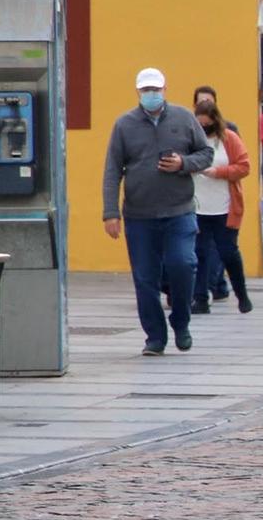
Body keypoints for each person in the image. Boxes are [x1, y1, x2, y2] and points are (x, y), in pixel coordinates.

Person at [102, 67, 213, 355]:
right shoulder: (124, 125)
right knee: (145, 278)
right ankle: (155, 336)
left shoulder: (184, 118)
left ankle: (181, 320)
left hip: (179, 211)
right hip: (140, 215)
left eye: (156, 89)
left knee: (183, 264)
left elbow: (206, 153)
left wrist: (183, 164)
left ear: (165, 89)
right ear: (138, 92)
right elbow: (113, 170)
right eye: (146, 90)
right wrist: (110, 212)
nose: (151, 94)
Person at [189, 96, 254, 315]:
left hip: (225, 208)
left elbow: (244, 167)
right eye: (200, 124)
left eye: (207, 124)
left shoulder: (229, 139)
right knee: (200, 253)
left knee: (228, 252)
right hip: (197, 207)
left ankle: (241, 294)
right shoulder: (191, 141)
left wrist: (219, 173)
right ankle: (200, 298)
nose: (204, 128)